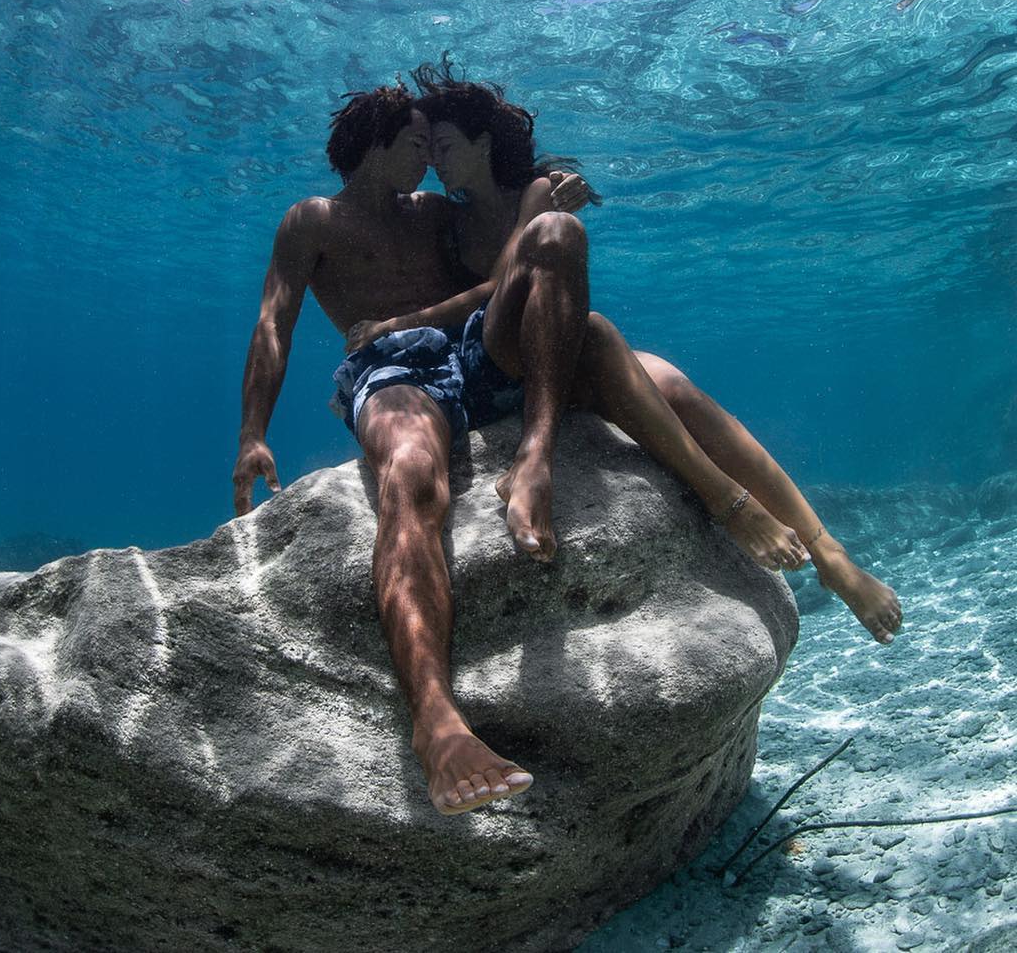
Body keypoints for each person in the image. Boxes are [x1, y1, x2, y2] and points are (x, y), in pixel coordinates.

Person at [348, 61, 902, 646]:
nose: (433, 159)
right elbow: (487, 281)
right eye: (427, 147)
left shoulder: (536, 191)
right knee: (596, 319)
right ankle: (730, 503)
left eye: (443, 144)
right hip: (497, 358)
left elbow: (512, 274)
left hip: (559, 351)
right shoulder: (448, 217)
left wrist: (409, 319)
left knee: (666, 379)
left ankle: (831, 554)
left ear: (483, 142)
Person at [233, 83, 596, 817]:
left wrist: (553, 181)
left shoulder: (436, 214)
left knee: (632, 373)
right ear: (373, 144)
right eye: (415, 144)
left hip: (469, 352)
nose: (430, 160)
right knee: (410, 475)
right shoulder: (312, 221)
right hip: (395, 371)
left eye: (435, 145)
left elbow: (506, 233)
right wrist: (252, 433)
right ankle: (435, 720)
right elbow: (275, 324)